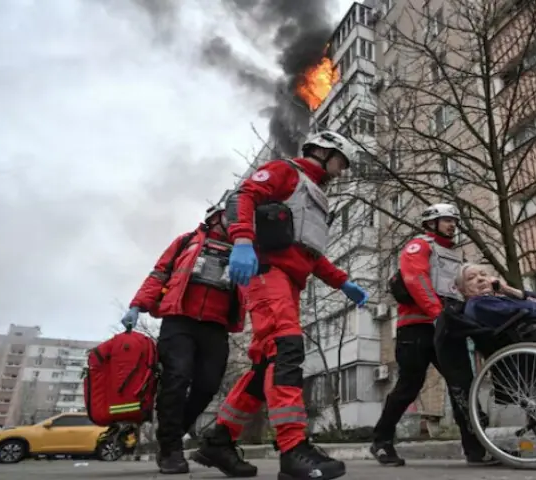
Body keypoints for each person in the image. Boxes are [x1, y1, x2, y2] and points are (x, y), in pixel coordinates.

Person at [189, 131, 369, 480]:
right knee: (287, 349)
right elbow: (244, 195)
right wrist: (242, 240)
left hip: (288, 283)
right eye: (340, 162)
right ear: (323, 151)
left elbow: (308, 254)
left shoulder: (315, 197)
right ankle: (292, 448)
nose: (342, 171)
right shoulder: (286, 172)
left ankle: (219, 439)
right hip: (267, 275)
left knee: (264, 369)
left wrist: (343, 282)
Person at [371, 203, 496, 467]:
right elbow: (416, 279)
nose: (452, 224)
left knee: (462, 384)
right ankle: (381, 441)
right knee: (409, 386)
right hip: (417, 327)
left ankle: (476, 448)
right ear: (431, 223)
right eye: (446, 220)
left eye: (454, 220)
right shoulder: (419, 246)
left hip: (447, 325)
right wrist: (437, 313)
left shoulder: (453, 254)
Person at [124, 198, 242, 474]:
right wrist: (137, 304)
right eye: (232, 216)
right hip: (179, 321)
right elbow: (159, 273)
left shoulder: (243, 250)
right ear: (216, 217)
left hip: (216, 326)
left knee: (208, 384)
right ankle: (170, 449)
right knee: (176, 377)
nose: (237, 222)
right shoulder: (186, 241)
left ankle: (175, 429)